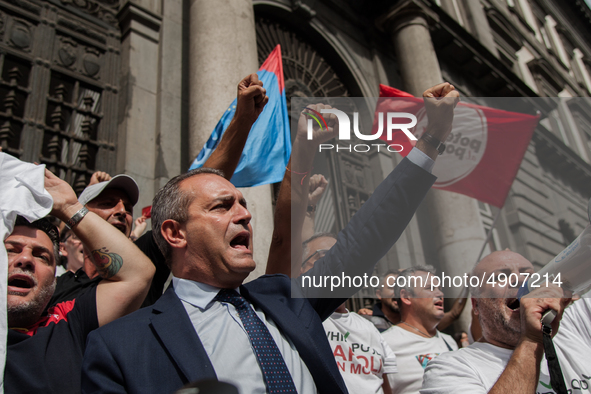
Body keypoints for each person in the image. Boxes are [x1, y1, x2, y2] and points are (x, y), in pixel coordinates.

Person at [81, 83, 458, 394]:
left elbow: (369, 234)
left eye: (243, 204)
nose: (244, 214)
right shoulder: (120, 346)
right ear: (174, 233)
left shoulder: (289, 302)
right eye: (222, 206)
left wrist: (432, 138)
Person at [5, 168, 155, 393]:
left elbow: (137, 274)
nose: (25, 259)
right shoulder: (68, 285)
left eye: (41, 256)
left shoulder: (66, 322)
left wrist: (69, 207)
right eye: (10, 250)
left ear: (53, 278)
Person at [421, 250, 584, 394]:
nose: (520, 280)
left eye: (528, 275)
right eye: (501, 276)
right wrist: (532, 341)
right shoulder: (449, 369)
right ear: (476, 304)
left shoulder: (573, 323)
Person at [302, 233, 397, 394]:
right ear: (300, 269)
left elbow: (385, 386)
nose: (338, 266)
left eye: (344, 260)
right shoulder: (295, 318)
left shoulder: (369, 328)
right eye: (324, 258)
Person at [382, 266, 458, 394]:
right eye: (430, 288)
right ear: (406, 297)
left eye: (439, 289)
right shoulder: (384, 343)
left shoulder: (449, 342)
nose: (440, 294)